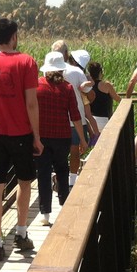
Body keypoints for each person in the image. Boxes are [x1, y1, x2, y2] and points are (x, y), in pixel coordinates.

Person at [0, 18, 43, 262]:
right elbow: (31, 103)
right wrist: (37, 136)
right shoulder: (26, 61)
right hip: (21, 133)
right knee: (25, 183)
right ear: (13, 36)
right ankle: (21, 233)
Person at [35, 51, 86, 226]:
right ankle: (63, 207)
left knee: (43, 173)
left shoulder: (36, 86)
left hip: (41, 138)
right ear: (62, 70)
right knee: (62, 171)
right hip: (62, 137)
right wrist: (82, 139)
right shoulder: (68, 88)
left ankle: (45, 214)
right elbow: (75, 116)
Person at [50, 41, 98, 187]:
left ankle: (58, 177)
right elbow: (91, 97)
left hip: (55, 119)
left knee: (58, 152)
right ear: (66, 53)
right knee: (75, 150)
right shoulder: (76, 72)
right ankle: (71, 181)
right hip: (75, 119)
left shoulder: (47, 72)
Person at [86, 60, 121, 134]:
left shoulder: (87, 86)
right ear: (100, 73)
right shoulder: (106, 85)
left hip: (91, 120)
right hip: (104, 120)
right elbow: (117, 99)